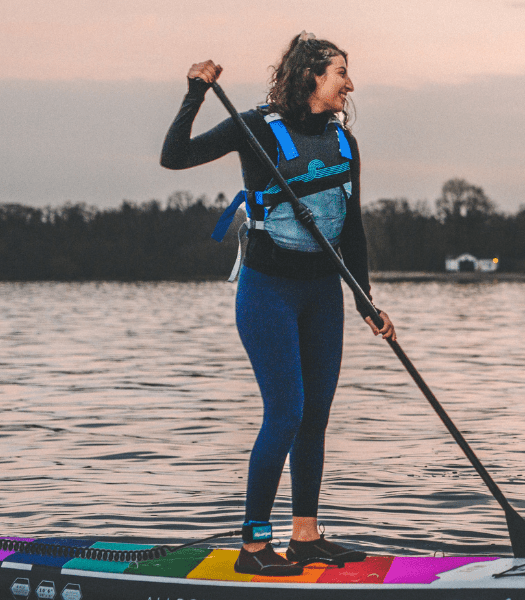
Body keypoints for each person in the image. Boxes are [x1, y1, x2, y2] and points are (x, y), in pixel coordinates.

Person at [160, 32, 397, 576]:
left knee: (315, 416)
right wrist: (196, 92)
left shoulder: (344, 143)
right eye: (341, 72)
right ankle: (253, 547)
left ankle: (306, 536)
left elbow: (353, 231)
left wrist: (367, 304)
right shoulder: (254, 128)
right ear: (313, 76)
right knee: (286, 412)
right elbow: (174, 157)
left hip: (323, 293)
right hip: (268, 292)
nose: (349, 84)